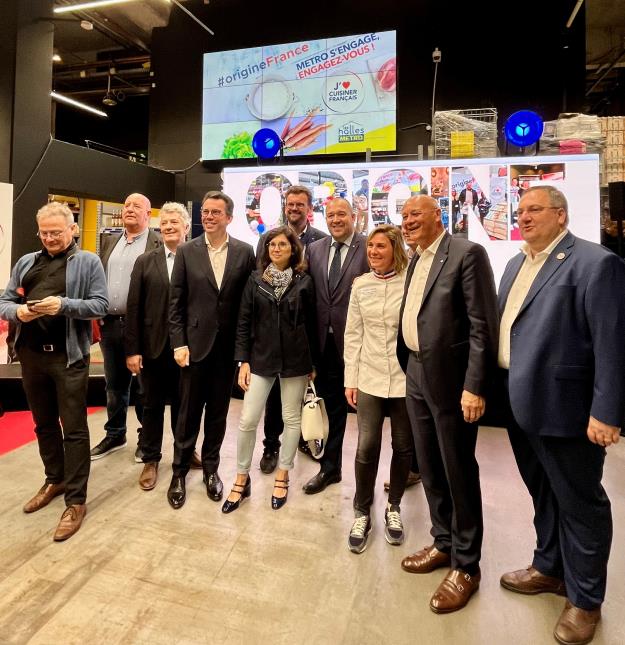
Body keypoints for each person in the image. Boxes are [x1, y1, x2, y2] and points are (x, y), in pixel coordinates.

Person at [497, 185, 625, 645]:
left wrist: (607, 411)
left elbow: (613, 343)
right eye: (521, 210)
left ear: (561, 215)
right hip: (519, 403)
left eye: (535, 209)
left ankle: (586, 599)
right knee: (544, 494)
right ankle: (549, 568)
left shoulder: (596, 263)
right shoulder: (515, 264)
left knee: (581, 504)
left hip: (567, 410)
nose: (525, 216)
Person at [397, 194, 498, 614]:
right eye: (403, 217)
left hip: (453, 381)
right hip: (417, 373)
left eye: (415, 214)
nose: (407, 222)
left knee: (457, 467)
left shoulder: (466, 253)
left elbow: (481, 325)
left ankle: (467, 565)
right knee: (430, 464)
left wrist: (475, 386)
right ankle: (443, 542)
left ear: (438, 216)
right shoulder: (418, 258)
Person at [0, 202, 108, 540]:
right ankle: (55, 479)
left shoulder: (88, 261)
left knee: (73, 428)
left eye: (56, 232)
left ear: (71, 228)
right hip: (32, 357)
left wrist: (63, 305)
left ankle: (76, 500)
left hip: (69, 357)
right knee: (43, 424)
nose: (50, 238)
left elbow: (100, 305)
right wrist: (20, 313)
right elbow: (4, 302)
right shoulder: (26, 262)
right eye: (44, 233)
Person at [168, 190, 255, 509]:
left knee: (218, 416)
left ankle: (211, 470)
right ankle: (178, 473)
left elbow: (248, 307)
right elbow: (175, 302)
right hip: (192, 348)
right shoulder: (187, 251)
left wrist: (244, 353)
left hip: (226, 352)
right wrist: (178, 342)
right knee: (188, 413)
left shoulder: (245, 253)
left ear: (229, 217)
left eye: (215, 212)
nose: (208, 216)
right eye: (205, 211)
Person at [222, 226, 318, 513]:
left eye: (282, 245)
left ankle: (283, 474)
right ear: (266, 250)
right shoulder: (254, 281)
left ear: (293, 250)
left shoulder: (304, 282)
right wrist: (243, 360)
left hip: (296, 361)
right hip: (260, 359)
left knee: (291, 419)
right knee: (248, 420)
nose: (276, 249)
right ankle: (241, 479)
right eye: (271, 245)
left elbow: (311, 325)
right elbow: (243, 322)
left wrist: (313, 364)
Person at [343, 225, 413, 553]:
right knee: (366, 447)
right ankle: (361, 510)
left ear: (395, 249)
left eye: (380, 247)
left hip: (404, 381)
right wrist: (351, 379)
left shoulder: (411, 282)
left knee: (403, 447)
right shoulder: (360, 285)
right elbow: (353, 334)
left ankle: (394, 506)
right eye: (370, 247)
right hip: (369, 378)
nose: (373, 252)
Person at [125, 202, 201, 491]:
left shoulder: (197, 258)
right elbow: (133, 308)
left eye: (174, 223)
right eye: (164, 223)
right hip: (152, 349)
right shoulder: (146, 261)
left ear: (185, 227)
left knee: (186, 406)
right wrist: (132, 350)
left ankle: (184, 451)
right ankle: (151, 459)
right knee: (151, 406)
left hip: (187, 349)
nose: (169, 227)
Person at [255, 185, 327, 475]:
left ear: (309, 208)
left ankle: (303, 441)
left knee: (301, 395)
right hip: (273, 331)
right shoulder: (269, 238)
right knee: (274, 397)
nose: (294, 208)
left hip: (302, 331)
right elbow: (260, 276)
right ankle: (271, 445)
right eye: (290, 204)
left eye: (300, 204)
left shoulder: (320, 241)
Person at [302, 197, 369, 494]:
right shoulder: (314, 249)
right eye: (331, 215)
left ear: (353, 216)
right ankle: (330, 469)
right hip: (324, 346)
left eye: (342, 214)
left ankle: (367, 481)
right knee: (331, 409)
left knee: (369, 417)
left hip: (360, 346)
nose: (336, 219)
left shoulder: (370, 247)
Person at [90, 193, 161, 461]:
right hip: (110, 323)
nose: (130, 209)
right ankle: (115, 433)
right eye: (127, 205)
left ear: (148, 214)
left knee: (145, 386)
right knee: (114, 384)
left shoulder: (157, 242)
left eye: (137, 206)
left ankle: (147, 438)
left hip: (143, 326)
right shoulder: (110, 240)